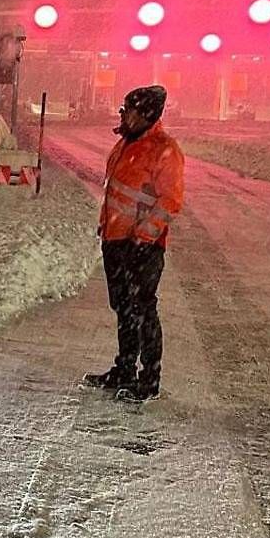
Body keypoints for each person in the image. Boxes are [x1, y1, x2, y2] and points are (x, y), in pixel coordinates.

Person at [83, 85, 184, 401]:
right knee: (124, 309)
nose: (122, 113)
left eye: (129, 108)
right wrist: (107, 227)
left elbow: (170, 199)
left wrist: (145, 236)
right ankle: (124, 369)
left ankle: (149, 380)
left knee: (142, 309)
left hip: (142, 245)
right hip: (115, 239)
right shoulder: (126, 143)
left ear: (147, 114)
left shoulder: (164, 150)